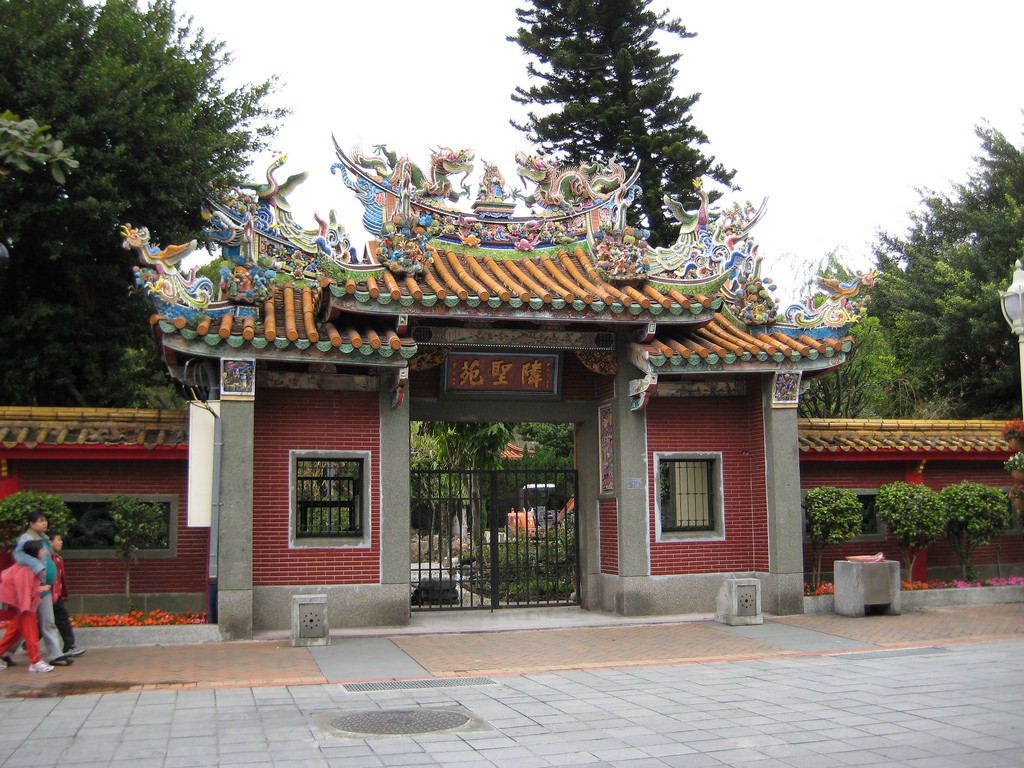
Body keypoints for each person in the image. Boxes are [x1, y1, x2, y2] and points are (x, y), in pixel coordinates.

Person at [12, 512, 71, 666]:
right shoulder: (27, 538)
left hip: (45, 588)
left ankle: (55, 655)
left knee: (48, 621)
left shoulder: (43, 538)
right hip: (33, 587)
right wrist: (37, 566)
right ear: (31, 524)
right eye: (40, 521)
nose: (44, 523)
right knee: (22, 624)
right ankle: (5, 652)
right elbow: (18, 555)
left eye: (45, 521)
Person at [0, 539, 55, 673]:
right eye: (41, 550)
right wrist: (28, 605)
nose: (44, 552)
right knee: (31, 633)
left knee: (14, 633)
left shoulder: (26, 567)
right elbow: (24, 591)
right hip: (25, 606)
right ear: (36, 552)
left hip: (23, 605)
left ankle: (35, 661)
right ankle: (35, 661)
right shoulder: (27, 570)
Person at [49, 532, 85, 658]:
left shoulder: (59, 559)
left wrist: (63, 593)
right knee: (62, 620)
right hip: (49, 595)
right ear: (50, 542)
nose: (61, 542)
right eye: (58, 540)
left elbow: (61, 580)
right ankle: (69, 646)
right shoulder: (47, 559)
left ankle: (28, 643)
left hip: (56, 595)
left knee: (51, 621)